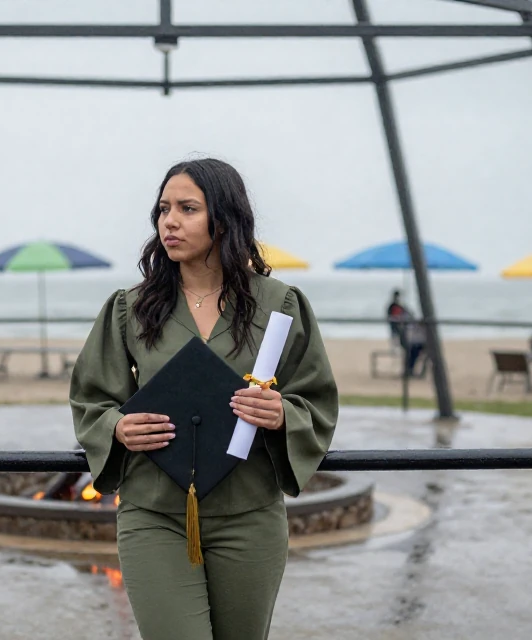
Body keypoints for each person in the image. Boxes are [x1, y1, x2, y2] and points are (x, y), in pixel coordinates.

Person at [70, 158, 338, 640]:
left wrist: (282, 413)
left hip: (249, 515)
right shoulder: (131, 308)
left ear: (224, 219)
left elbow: (315, 399)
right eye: (163, 209)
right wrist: (116, 426)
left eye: (187, 209)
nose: (168, 221)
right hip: (154, 514)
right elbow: (93, 398)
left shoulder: (280, 304)